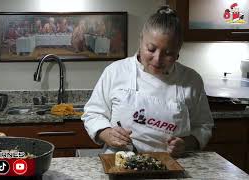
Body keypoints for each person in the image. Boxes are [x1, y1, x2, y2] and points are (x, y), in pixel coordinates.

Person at [81, 6, 214, 157]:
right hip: (120, 161)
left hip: (174, 164)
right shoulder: (116, 72)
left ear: (178, 52)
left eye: (168, 53)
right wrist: (106, 133)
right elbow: (93, 113)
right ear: (141, 41)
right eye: (151, 49)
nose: (157, 59)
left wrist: (186, 144)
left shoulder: (191, 80)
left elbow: (203, 126)